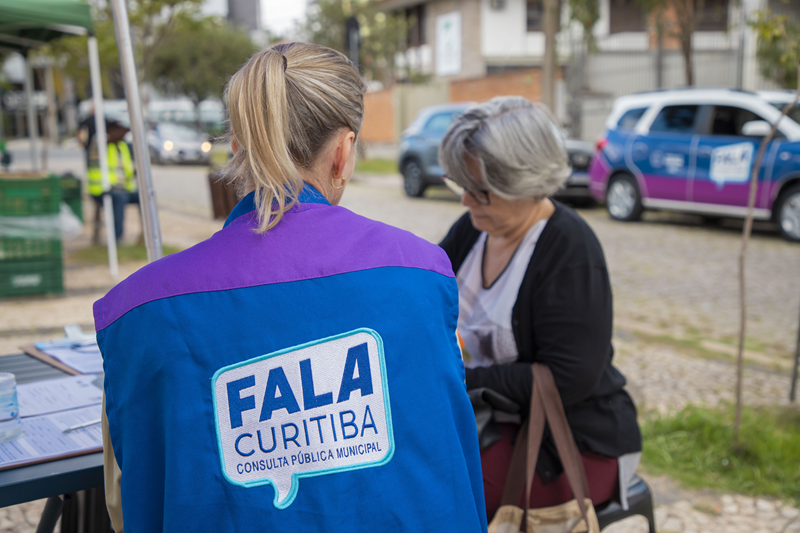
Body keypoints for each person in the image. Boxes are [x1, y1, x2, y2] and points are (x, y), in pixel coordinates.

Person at [95, 43, 487, 532]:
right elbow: (447, 450)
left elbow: (123, 499)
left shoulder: (139, 309)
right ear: (342, 154)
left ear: (238, 150)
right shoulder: (423, 274)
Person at [438, 96, 641, 520]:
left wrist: (462, 378)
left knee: (449, 492)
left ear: (525, 182)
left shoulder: (568, 248)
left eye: (481, 191)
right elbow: (427, 299)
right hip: (498, 421)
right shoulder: (476, 229)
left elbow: (569, 377)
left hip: (573, 440)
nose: (467, 202)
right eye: (462, 186)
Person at [87, 120, 138, 242]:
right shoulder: (99, 143)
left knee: (144, 196)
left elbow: (127, 168)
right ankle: (117, 238)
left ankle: (147, 236)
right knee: (119, 199)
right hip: (101, 190)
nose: (122, 134)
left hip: (123, 189)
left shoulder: (122, 146)